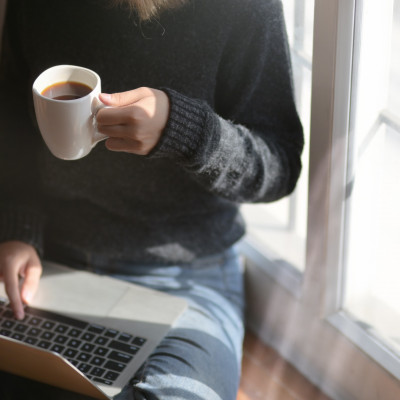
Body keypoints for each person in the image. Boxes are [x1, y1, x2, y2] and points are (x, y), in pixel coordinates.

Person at [0, 0, 304, 399]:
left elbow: (278, 167)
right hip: (50, 263)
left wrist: (189, 132)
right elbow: (13, 126)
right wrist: (18, 231)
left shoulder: (245, 8)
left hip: (189, 276)